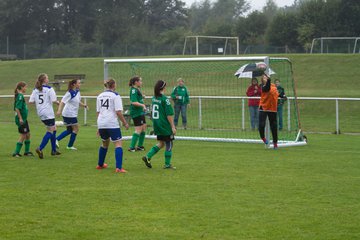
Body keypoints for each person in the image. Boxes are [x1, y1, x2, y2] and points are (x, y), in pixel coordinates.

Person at [96, 79, 129, 173]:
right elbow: (118, 112)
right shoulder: (115, 96)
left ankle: (100, 164)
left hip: (101, 123)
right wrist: (125, 122)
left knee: (104, 144)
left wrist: (99, 126)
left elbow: (98, 112)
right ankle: (118, 168)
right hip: (111, 123)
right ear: (114, 85)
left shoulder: (99, 96)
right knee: (118, 144)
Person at [142, 80, 177, 169]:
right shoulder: (165, 99)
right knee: (169, 143)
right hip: (164, 124)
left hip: (157, 124)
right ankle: (167, 164)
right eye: (165, 86)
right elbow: (169, 114)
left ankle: (147, 157)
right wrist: (173, 126)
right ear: (163, 87)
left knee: (161, 143)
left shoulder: (154, 98)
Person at [29, 73, 61, 158]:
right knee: (50, 131)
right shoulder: (50, 89)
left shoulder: (35, 89)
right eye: (47, 78)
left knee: (54, 129)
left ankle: (54, 150)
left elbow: (31, 101)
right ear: (44, 80)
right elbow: (54, 100)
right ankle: (40, 148)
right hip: (48, 112)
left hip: (40, 112)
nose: (48, 79)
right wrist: (58, 103)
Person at [56, 79, 88, 150]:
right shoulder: (69, 93)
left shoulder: (77, 92)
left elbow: (78, 101)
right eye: (79, 83)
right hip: (69, 114)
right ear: (74, 84)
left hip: (71, 114)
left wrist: (84, 105)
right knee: (76, 129)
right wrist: (59, 111)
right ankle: (69, 146)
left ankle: (57, 140)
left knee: (70, 130)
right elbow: (62, 102)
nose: (80, 84)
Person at [12, 82, 33, 157]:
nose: (26, 88)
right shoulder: (20, 96)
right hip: (21, 119)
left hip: (24, 119)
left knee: (28, 134)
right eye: (25, 87)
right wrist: (20, 118)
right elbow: (17, 108)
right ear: (21, 87)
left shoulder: (20, 95)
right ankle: (16, 152)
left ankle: (26, 152)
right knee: (23, 135)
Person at [258, 73, 279, 149]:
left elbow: (276, 93)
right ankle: (263, 138)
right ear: (262, 80)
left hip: (272, 108)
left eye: (266, 77)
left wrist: (282, 95)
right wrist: (269, 79)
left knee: (274, 126)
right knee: (261, 125)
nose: (265, 78)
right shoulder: (262, 86)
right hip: (263, 107)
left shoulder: (273, 86)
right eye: (264, 77)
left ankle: (275, 143)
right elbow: (267, 88)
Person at [128, 76, 147, 152]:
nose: (141, 82)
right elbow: (133, 102)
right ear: (136, 82)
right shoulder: (133, 90)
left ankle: (140, 146)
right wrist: (143, 105)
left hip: (140, 112)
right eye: (140, 81)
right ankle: (131, 147)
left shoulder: (137, 90)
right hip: (136, 112)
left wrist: (142, 97)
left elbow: (138, 99)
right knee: (138, 129)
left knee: (144, 128)